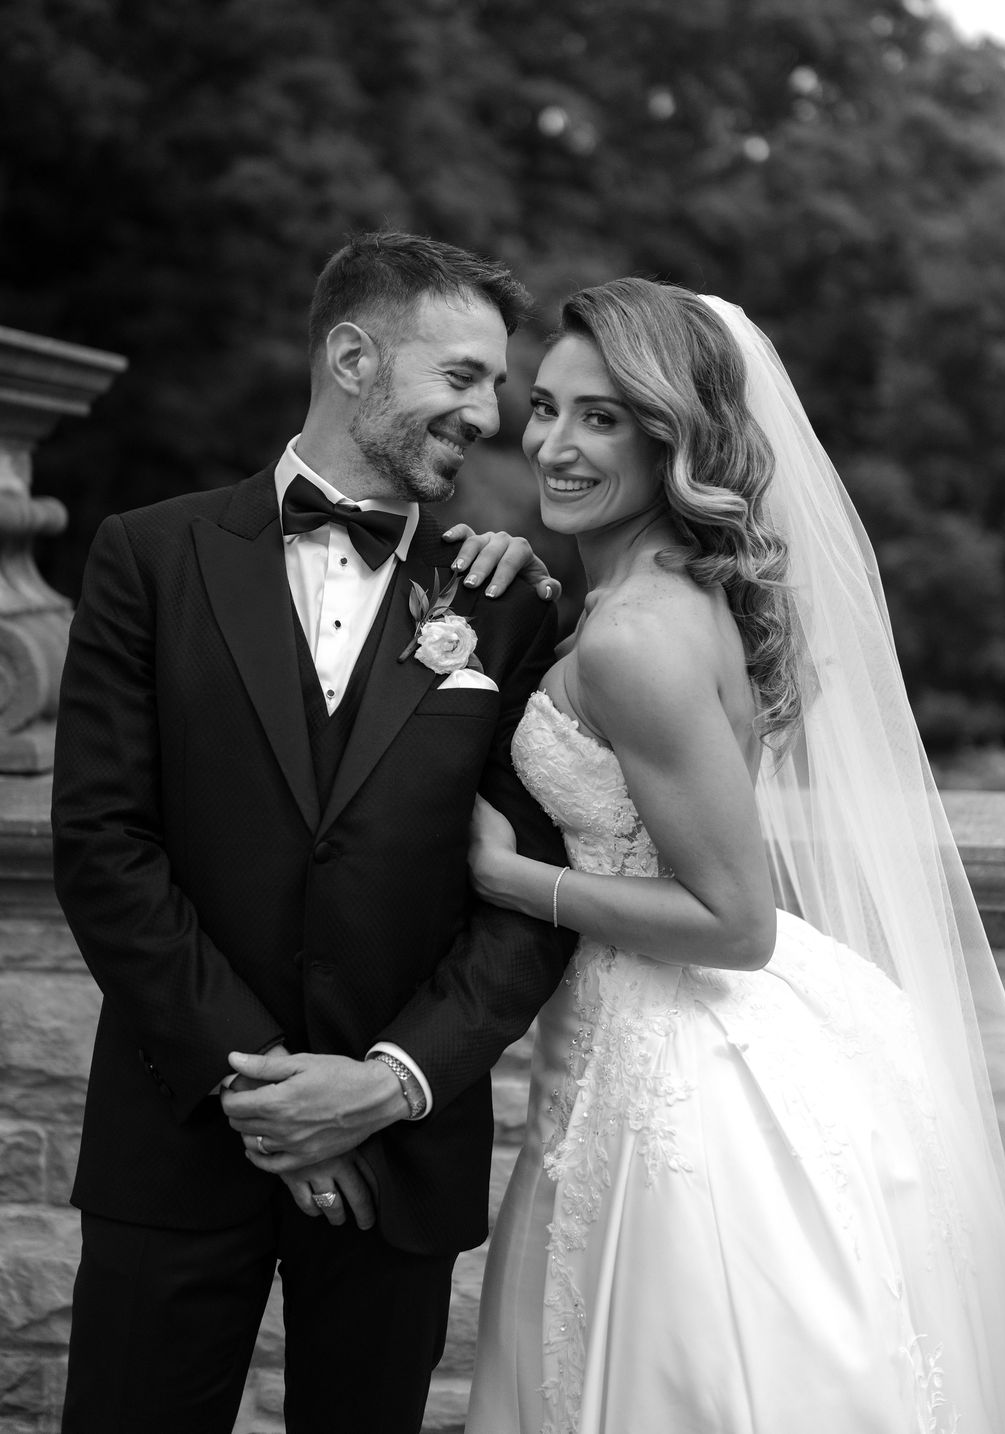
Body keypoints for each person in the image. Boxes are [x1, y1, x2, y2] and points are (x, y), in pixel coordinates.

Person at [464, 276, 1005, 1433]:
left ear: (674, 435)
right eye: (547, 407)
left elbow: (735, 920)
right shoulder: (644, 589)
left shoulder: (634, 637)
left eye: (601, 418)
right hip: (665, 1025)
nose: (554, 444)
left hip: (676, 1050)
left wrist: (513, 879)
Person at [51, 230, 576, 1434]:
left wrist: (381, 1087)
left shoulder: (507, 603)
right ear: (352, 356)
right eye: (462, 376)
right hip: (177, 1133)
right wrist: (273, 1100)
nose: (489, 416)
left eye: (496, 386)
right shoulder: (150, 556)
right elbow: (105, 847)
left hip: (402, 1148)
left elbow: (532, 890)